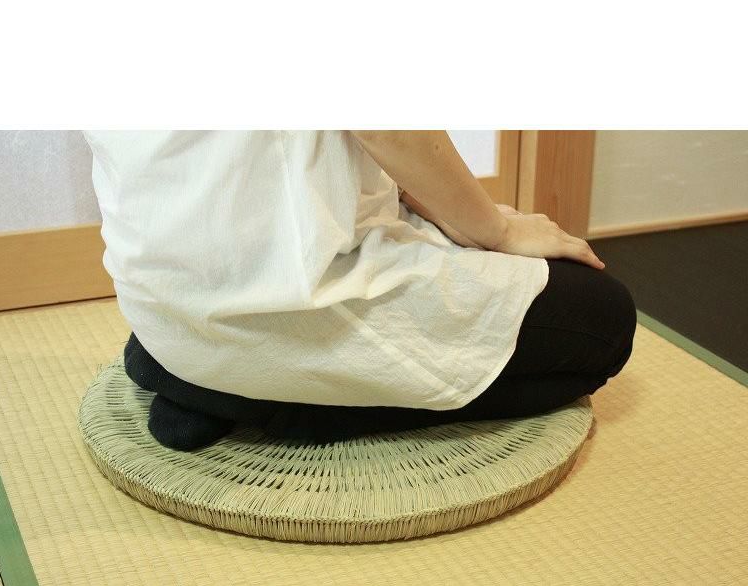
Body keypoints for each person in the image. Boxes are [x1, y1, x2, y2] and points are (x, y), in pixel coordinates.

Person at [84, 130, 636, 450]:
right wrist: (499, 232)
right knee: (604, 323)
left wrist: (437, 207)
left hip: (158, 294)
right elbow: (388, 127)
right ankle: (257, 399)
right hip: (282, 290)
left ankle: (189, 362)